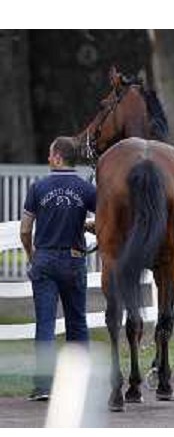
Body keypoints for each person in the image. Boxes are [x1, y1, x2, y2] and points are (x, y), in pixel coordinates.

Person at [20, 137, 96, 401]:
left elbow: (25, 229)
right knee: (78, 323)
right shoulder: (86, 189)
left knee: (45, 325)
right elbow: (103, 222)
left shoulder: (38, 187)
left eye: (51, 154)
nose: (48, 158)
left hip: (45, 260)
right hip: (74, 259)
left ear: (58, 157)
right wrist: (86, 226)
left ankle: (43, 385)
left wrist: (32, 254)